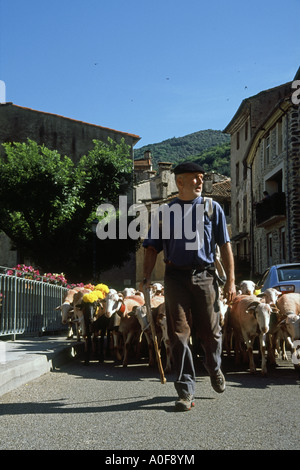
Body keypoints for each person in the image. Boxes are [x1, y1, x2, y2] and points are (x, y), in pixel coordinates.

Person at [141, 161, 236, 411]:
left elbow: (225, 246)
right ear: (179, 182)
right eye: (194, 177)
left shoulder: (212, 208)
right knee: (178, 335)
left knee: (211, 333)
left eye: (201, 177)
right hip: (175, 278)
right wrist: (146, 277)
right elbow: (151, 247)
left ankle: (214, 367)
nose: (200, 181)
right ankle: (185, 391)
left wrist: (232, 282)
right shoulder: (165, 212)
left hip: (205, 276)